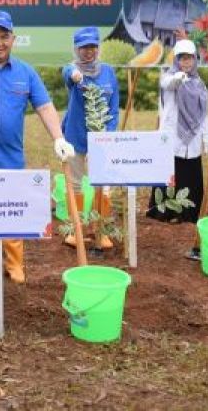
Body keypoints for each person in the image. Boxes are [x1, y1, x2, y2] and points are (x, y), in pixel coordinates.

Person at [0, 10, 75, 285]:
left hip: (10, 155)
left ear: (13, 39)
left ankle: (15, 263)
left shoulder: (26, 72)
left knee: (11, 209)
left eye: (4, 37)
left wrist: (58, 137)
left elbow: (44, 106)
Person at [150, 39, 208, 257]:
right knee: (170, 174)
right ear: (176, 59)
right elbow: (168, 85)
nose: (186, 62)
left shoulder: (200, 85)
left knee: (190, 174)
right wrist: (178, 78)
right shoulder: (169, 77)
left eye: (190, 58)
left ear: (196, 59)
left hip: (192, 139)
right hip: (171, 136)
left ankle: (189, 212)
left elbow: (204, 113)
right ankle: (166, 212)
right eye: (182, 58)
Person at [59, 26, 119, 251]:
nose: (88, 52)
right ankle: (75, 230)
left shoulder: (108, 72)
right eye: (83, 47)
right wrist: (74, 75)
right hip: (75, 134)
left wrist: (109, 133)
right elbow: (67, 73)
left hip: (101, 138)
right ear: (77, 49)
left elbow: (114, 107)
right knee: (74, 183)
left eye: (92, 46)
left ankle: (100, 231)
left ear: (98, 48)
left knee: (102, 185)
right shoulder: (72, 70)